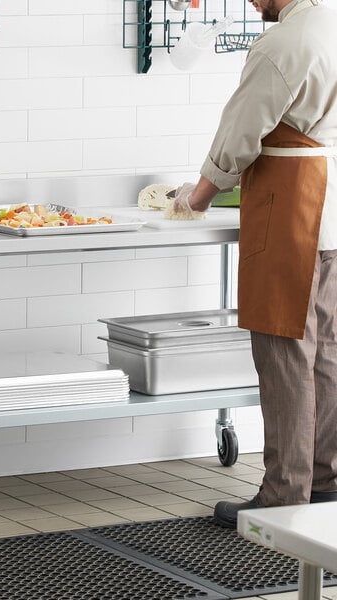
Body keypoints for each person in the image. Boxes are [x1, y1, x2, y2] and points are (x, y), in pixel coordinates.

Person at [169, 0, 337, 529]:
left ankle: (285, 496)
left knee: (284, 348)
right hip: (332, 204)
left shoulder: (283, 45)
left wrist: (196, 196)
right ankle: (327, 483)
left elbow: (240, 132)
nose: (249, 1)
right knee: (327, 351)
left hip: (292, 206)